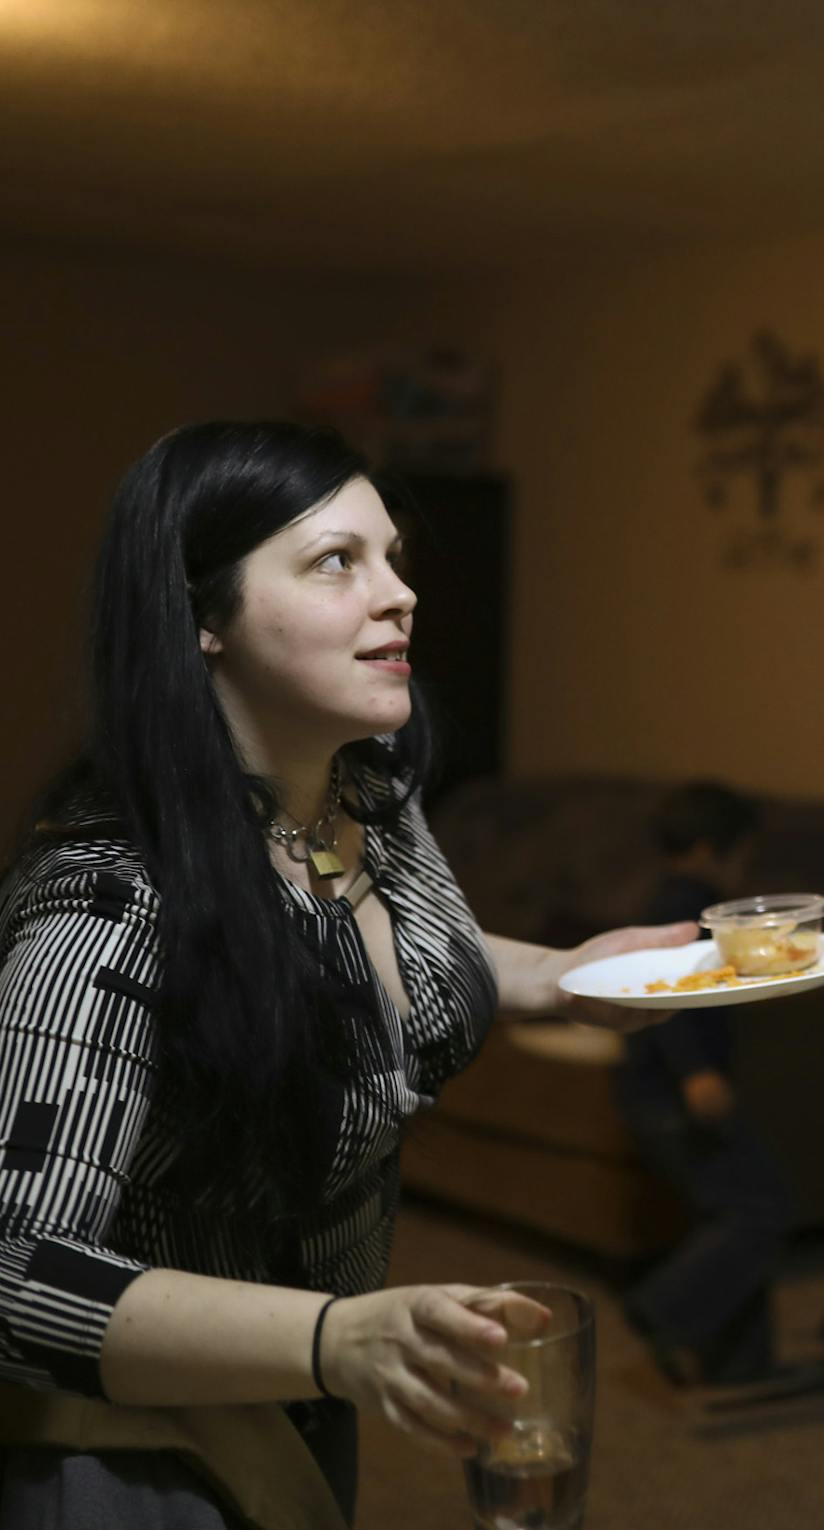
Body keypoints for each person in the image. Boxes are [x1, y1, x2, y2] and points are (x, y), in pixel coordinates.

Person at [0, 423, 696, 1526]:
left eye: (395, 557)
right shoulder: (109, 904)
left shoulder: (363, 788)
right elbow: (14, 1273)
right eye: (337, 562)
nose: (400, 594)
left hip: (304, 1397)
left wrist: (557, 975)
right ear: (201, 620)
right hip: (138, 1450)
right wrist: (340, 1336)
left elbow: (370, 970)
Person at [614, 784, 792, 1387]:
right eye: (744, 856)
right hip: (672, 1094)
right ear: (716, 849)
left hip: (653, 1093)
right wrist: (696, 1071)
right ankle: (662, 1308)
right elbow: (673, 997)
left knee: (733, 1206)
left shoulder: (666, 902)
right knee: (758, 1206)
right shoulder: (688, 913)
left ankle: (742, 1363)